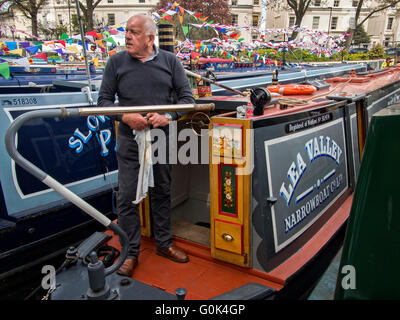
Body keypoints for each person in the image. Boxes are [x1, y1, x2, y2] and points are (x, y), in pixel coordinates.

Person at [97, 14, 194, 277]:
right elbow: (103, 101)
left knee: (162, 190)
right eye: (126, 31)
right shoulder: (116, 62)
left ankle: (164, 244)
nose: (127, 36)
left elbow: (188, 99)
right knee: (127, 197)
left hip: (160, 138)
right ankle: (131, 254)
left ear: (151, 39)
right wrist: (125, 116)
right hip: (129, 141)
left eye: (134, 32)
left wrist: (169, 116)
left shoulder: (170, 61)